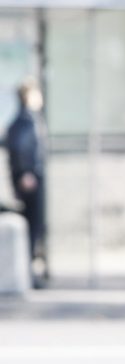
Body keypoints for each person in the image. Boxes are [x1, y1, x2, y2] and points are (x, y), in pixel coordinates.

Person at [6, 79, 48, 288]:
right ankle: (28, 274)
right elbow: (22, 148)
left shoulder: (29, 119)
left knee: (35, 226)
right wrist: (26, 173)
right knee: (32, 226)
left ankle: (30, 271)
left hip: (30, 177)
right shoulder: (25, 121)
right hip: (30, 179)